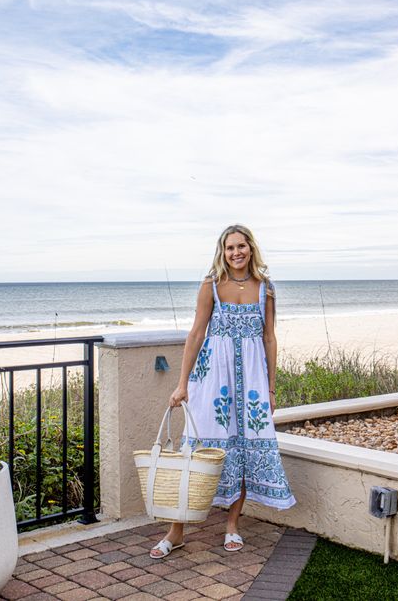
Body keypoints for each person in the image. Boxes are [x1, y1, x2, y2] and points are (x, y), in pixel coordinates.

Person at [150, 224, 296, 558]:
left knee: (243, 450)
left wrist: (271, 388)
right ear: (222, 251)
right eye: (230, 248)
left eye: (241, 246)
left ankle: (232, 526)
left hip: (253, 384)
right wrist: (182, 384)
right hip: (211, 379)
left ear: (251, 248)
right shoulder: (211, 286)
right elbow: (196, 334)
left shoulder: (266, 289)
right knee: (195, 449)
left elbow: (269, 339)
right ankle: (176, 531)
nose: (236, 253)